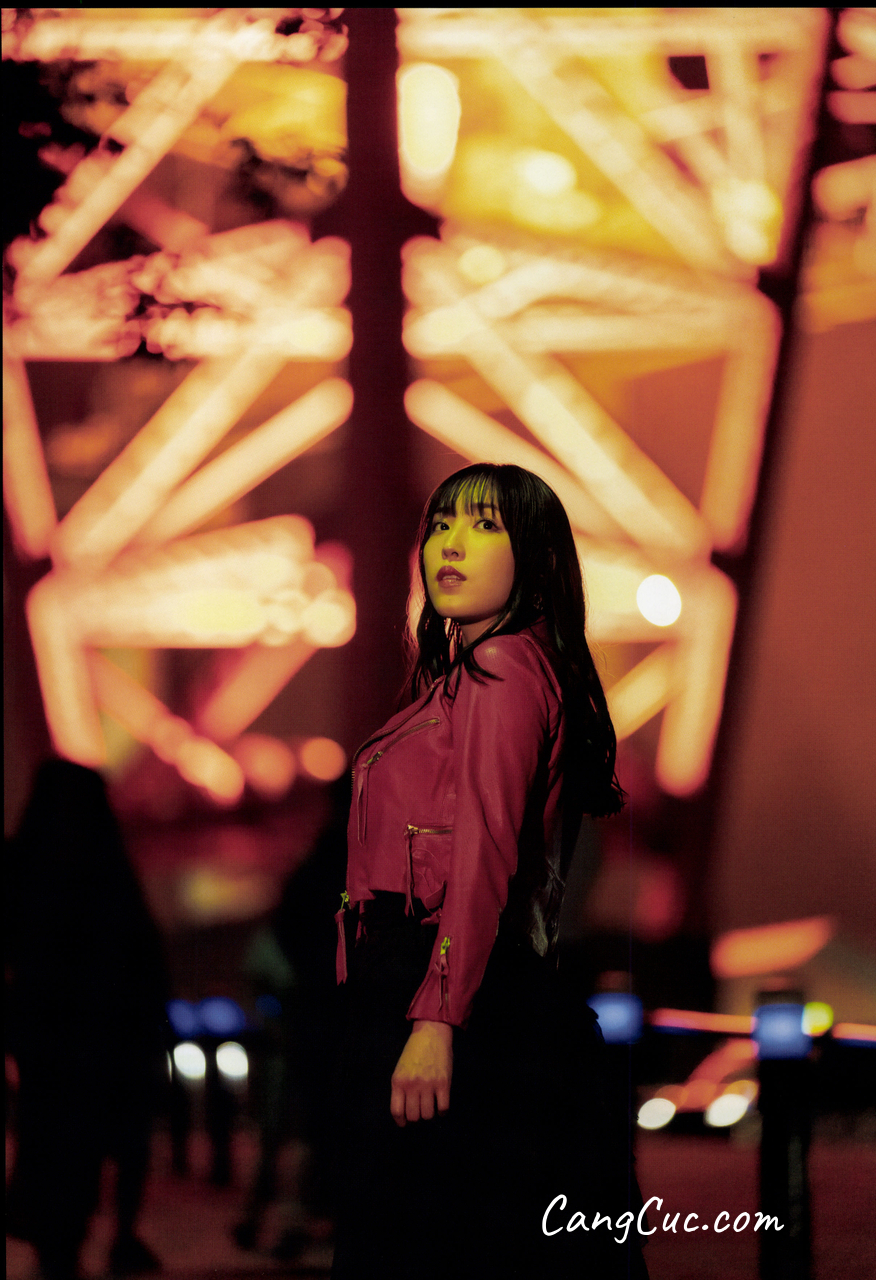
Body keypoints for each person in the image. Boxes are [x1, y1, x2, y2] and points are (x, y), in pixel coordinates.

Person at [330, 463, 649, 1280]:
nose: (451, 544)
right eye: (441, 524)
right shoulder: (472, 677)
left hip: (443, 983)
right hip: (441, 978)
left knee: (427, 1239)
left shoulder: (502, 669)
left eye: (484, 526)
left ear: (535, 556)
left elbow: (484, 851)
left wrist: (434, 1020)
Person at [6, 759, 169, 1280]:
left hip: (45, 1035)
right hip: (110, 1031)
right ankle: (118, 1236)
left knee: (50, 1139)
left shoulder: (23, 866)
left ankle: (57, 1240)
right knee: (117, 1135)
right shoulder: (109, 870)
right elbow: (146, 957)